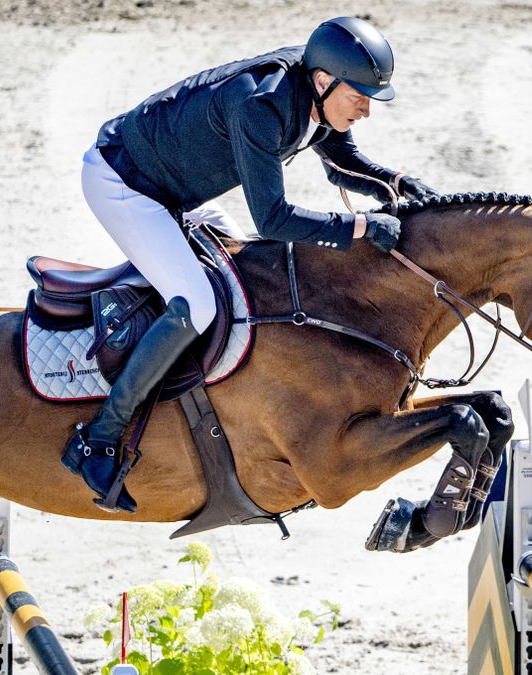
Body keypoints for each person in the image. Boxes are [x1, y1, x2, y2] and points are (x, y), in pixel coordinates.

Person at [61, 16, 439, 511]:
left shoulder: (313, 87)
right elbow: (274, 218)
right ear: (323, 82)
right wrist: (360, 228)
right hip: (126, 185)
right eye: (360, 97)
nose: (366, 110)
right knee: (197, 304)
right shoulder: (260, 106)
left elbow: (340, 157)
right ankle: (100, 439)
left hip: (175, 189)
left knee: (250, 289)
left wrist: (397, 182)